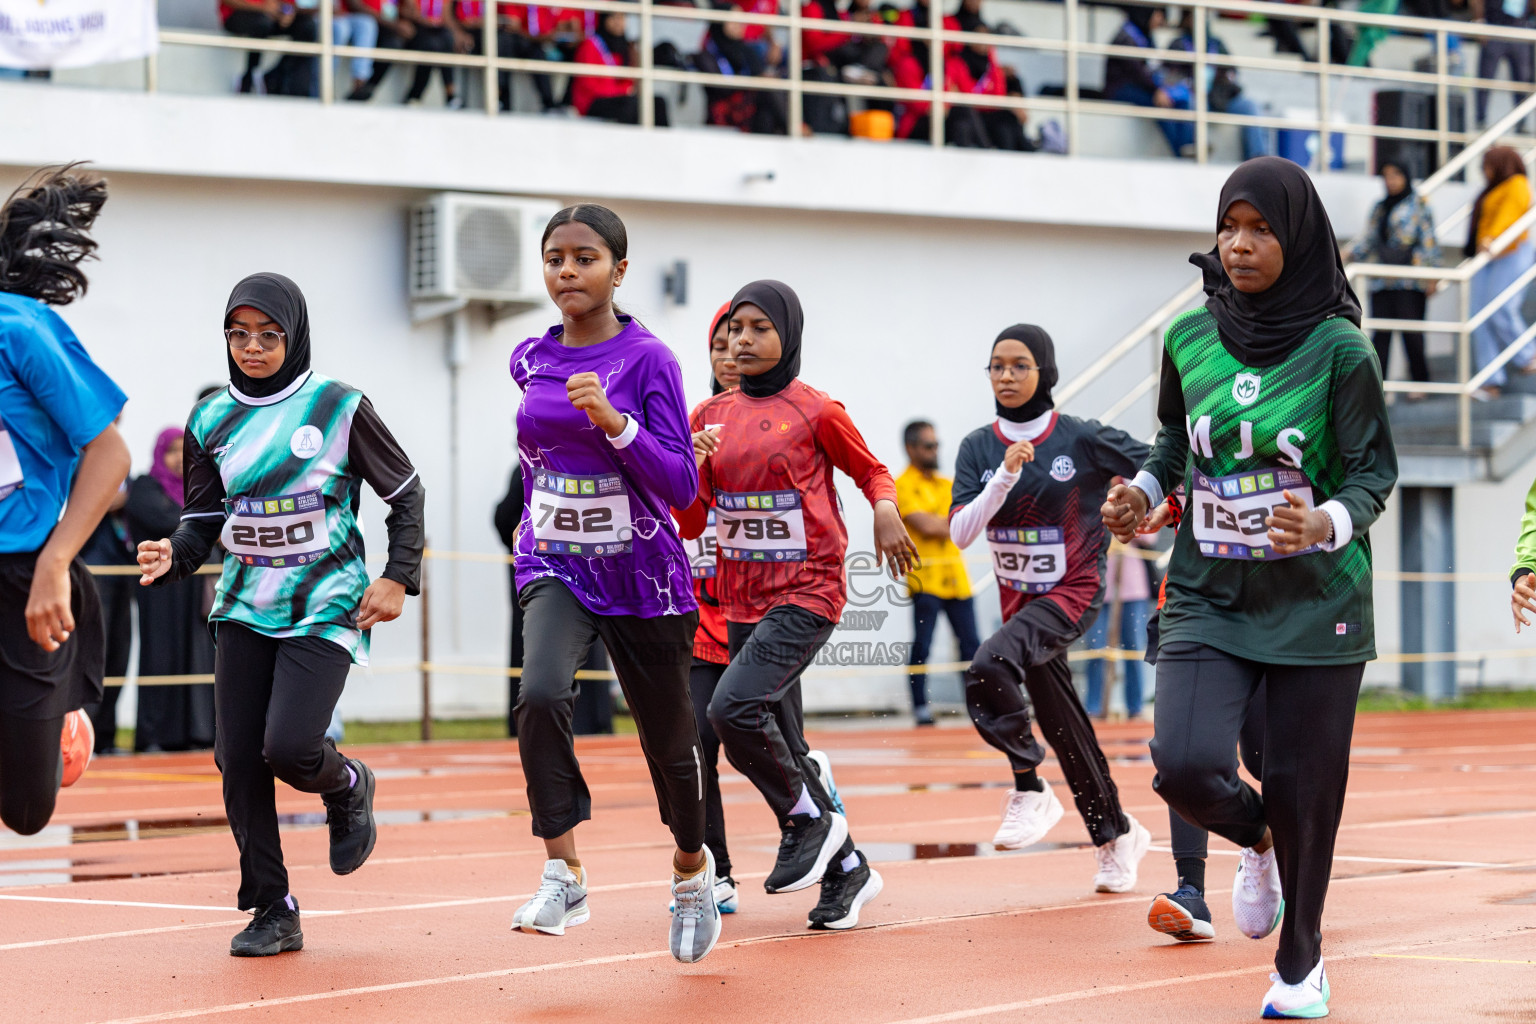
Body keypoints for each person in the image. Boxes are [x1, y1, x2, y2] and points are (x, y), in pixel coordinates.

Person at [1102, 156, 1398, 1018]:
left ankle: (1301, 964)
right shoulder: (1190, 337)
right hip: (1209, 591)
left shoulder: (1340, 350)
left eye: (1260, 229)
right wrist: (1143, 496)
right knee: (1185, 765)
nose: (1238, 245)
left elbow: (1375, 473)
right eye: (1229, 226)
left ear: (1298, 238)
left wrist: (1325, 521)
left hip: (1318, 600)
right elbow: (1171, 445)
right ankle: (1255, 835)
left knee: (1309, 783)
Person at [135, 272, 425, 957]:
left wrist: (397, 577)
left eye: (268, 335)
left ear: (293, 336)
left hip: (325, 604)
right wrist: (172, 556)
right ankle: (273, 906)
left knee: (290, 747)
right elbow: (202, 521)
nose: (253, 348)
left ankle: (347, 783)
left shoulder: (337, 406)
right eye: (239, 335)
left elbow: (406, 495)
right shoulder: (211, 419)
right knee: (236, 757)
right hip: (242, 605)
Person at [506, 204, 720, 964]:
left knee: (669, 741)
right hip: (556, 560)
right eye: (555, 258)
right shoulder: (529, 357)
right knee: (538, 696)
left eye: (585, 258)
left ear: (618, 271)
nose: (567, 271)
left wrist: (616, 425)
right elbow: (535, 455)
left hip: (643, 575)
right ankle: (563, 869)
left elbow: (682, 484)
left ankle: (693, 872)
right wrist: (531, 520)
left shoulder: (649, 360)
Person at [685, 279, 916, 931]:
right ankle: (849, 871)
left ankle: (805, 823)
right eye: (734, 329)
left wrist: (886, 512)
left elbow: (871, 470)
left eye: (759, 328)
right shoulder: (705, 420)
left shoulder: (816, 410)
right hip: (741, 602)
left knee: (731, 709)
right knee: (781, 736)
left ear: (789, 335)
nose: (743, 340)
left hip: (809, 590)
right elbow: (690, 520)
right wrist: (688, 468)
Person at [948, 324, 1151, 892]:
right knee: (1064, 723)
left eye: (1019, 366)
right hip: (1021, 603)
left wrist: (1149, 506)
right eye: (996, 366)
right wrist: (1004, 478)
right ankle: (1116, 835)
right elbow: (961, 533)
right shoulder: (977, 447)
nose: (1006, 376)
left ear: (1045, 373)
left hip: (1074, 590)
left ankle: (1029, 787)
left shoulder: (1079, 438)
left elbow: (1159, 461)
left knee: (989, 664)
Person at [0, 164, 129, 836]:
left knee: (27, 811)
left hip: (28, 572)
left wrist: (55, 564)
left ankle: (63, 718)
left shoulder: (19, 331)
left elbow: (109, 455)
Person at [669, 301, 744, 914]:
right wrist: (687, 461)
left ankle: (826, 837)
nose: (732, 350)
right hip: (696, 623)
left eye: (745, 336)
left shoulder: (794, 421)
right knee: (696, 748)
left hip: (761, 617)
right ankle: (715, 869)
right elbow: (668, 502)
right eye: (721, 341)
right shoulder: (687, 420)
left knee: (768, 745)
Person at [126, 428, 216, 753]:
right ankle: (155, 735)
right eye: (171, 451)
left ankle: (198, 732)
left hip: (194, 591)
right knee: (160, 656)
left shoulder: (198, 490)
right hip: (160, 592)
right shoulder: (145, 487)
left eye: (184, 451)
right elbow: (168, 521)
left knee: (198, 659)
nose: (179, 458)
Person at [894, 420, 979, 726]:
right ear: (911, 448)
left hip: (957, 578)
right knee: (923, 644)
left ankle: (978, 705)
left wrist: (944, 524)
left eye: (935, 444)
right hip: (926, 580)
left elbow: (964, 523)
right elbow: (928, 526)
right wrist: (947, 523)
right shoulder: (902, 484)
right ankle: (919, 707)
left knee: (971, 645)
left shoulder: (947, 483)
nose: (934, 450)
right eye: (928, 445)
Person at [1341, 160, 1440, 394]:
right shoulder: (1380, 207)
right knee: (1380, 336)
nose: (1391, 181)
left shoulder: (1419, 204)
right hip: (1382, 279)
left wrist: (1432, 274)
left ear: (1406, 176)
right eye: (1386, 176)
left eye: (1396, 175)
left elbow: (1428, 240)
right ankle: (1377, 389)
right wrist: (1347, 253)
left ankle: (1420, 383)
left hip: (1409, 280)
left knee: (1412, 334)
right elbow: (1371, 240)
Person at [1466, 146, 1536, 398]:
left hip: (1512, 252)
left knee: (1501, 307)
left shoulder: (1517, 183)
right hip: (1487, 255)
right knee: (1479, 315)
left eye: (1489, 164)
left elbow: (1509, 216)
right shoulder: (1491, 189)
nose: (1485, 171)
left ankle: (1528, 354)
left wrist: (1493, 237)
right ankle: (1490, 378)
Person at [78, 450, 136, 757]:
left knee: (119, 655)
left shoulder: (120, 455)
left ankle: (106, 737)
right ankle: (83, 735)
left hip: (123, 571)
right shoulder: (79, 456)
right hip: (93, 571)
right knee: (92, 656)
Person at [1167, 11, 1270, 161]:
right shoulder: (1178, 44)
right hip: (1194, 96)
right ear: (1186, 19)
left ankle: (1258, 157)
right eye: (1194, 17)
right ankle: (1194, 148)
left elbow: (1232, 71)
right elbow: (1170, 75)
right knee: (1190, 102)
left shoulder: (1216, 43)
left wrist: (1219, 77)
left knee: (1249, 106)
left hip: (1219, 96)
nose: (1199, 21)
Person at [1102, 5, 1193, 157]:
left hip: (1144, 86)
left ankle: (1189, 145)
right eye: (1158, 15)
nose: (1161, 20)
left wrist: (1167, 86)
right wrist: (1157, 90)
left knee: (1181, 100)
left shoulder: (1146, 36)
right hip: (1121, 89)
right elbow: (1137, 73)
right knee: (1161, 102)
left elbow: (1154, 69)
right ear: (1147, 14)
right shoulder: (1126, 37)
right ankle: (1180, 151)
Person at [1081, 533, 1149, 720]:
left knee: (1133, 649)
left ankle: (1135, 707)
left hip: (1132, 588)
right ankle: (1093, 708)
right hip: (1097, 587)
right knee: (1096, 649)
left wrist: (1126, 525)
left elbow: (1151, 536)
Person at [572, 11, 671, 126]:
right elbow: (588, 85)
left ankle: (662, 143)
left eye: (622, 18)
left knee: (657, 103)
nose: (618, 22)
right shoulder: (590, 45)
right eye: (613, 18)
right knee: (630, 104)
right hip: (592, 102)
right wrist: (621, 91)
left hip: (618, 98)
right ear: (604, 20)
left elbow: (629, 82)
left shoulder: (626, 48)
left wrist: (624, 90)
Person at [454, 2, 558, 111]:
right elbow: (465, 21)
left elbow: (514, 23)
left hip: (511, 38)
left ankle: (549, 104)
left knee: (535, 51)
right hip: (478, 37)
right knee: (502, 43)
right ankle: (501, 99)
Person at [220, 1, 319, 97]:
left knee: (307, 26)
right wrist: (263, 8)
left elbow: (288, 4)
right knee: (262, 23)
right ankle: (248, 80)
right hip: (240, 14)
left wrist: (287, 12)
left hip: (270, 17)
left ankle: (279, 80)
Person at [1473, 0, 1535, 129]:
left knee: (1522, 81)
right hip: (1494, 28)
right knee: (1485, 78)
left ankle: (1521, 122)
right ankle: (1480, 119)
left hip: (1520, 30)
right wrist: (1480, 22)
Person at [402, 0, 472, 106]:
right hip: (416, 29)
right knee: (431, 44)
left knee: (446, 39)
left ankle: (415, 95)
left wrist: (459, 34)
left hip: (437, 32)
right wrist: (426, 20)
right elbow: (407, 11)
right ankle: (449, 94)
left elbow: (446, 17)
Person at [333, 1, 383, 99]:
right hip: (323, 15)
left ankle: (360, 83)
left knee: (367, 24)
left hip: (343, 16)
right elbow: (354, 4)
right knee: (340, 29)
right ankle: (326, 85)